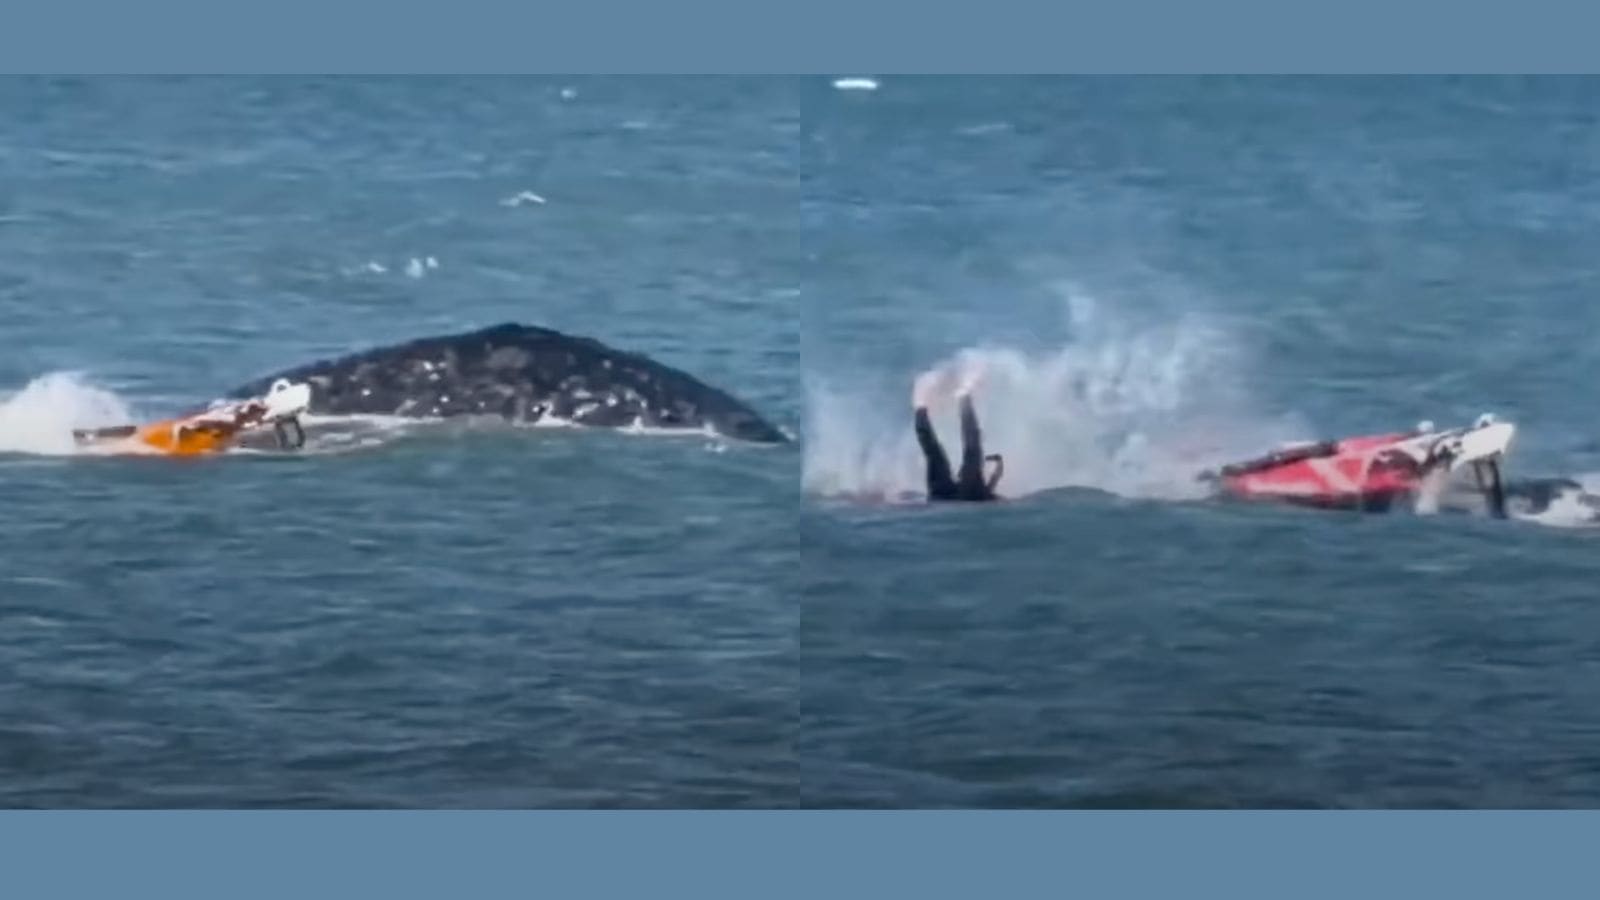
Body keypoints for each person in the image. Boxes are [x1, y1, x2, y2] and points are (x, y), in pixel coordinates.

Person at [912, 368, 1003, 502]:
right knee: (965, 451)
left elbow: (993, 479)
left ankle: (923, 405)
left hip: (945, 497)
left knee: (937, 455)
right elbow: (993, 480)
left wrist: (998, 466)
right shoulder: (978, 490)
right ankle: (962, 396)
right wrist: (998, 466)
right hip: (965, 495)